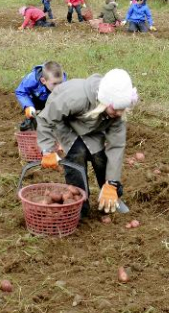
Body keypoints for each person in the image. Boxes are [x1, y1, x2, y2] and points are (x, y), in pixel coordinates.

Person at [37, 69, 138, 217]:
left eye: (122, 110)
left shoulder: (116, 113)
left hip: (94, 123)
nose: (119, 113)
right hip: (66, 123)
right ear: (104, 101)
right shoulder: (75, 98)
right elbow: (46, 118)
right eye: (116, 109)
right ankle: (79, 205)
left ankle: (112, 198)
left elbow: (116, 147)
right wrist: (47, 150)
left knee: (100, 156)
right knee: (77, 154)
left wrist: (112, 184)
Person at [14, 61, 66, 127]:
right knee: (31, 122)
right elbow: (21, 92)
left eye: (60, 83)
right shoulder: (31, 80)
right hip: (36, 98)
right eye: (55, 84)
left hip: (51, 99)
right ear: (43, 80)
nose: (58, 87)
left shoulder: (62, 81)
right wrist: (28, 106)